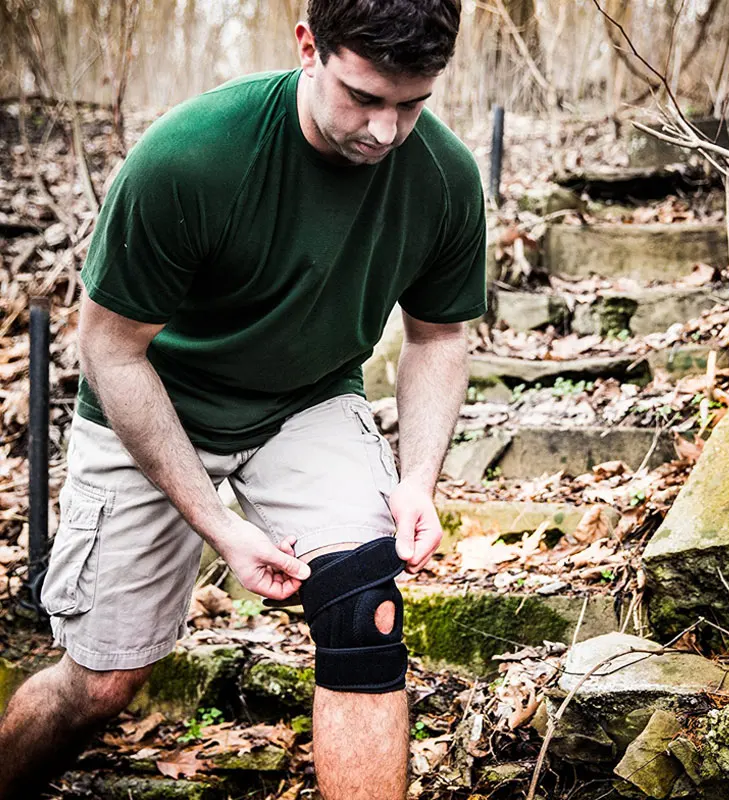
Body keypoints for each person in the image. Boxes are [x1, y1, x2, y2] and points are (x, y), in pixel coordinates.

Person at [0, 1, 486, 797]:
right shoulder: (191, 158)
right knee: (101, 685)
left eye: (412, 102)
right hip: (155, 402)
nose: (386, 131)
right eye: (363, 97)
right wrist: (219, 526)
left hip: (306, 401)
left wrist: (418, 479)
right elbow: (110, 352)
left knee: (364, 611)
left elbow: (437, 337)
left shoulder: (443, 177)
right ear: (308, 46)